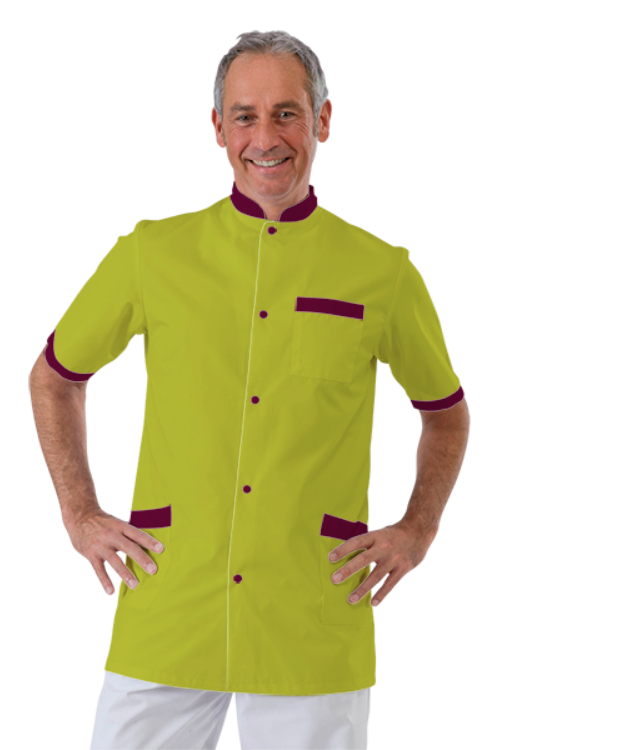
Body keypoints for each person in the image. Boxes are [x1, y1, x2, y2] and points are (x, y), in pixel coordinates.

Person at [28, 28, 470, 750]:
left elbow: (446, 414)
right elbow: (53, 377)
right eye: (246, 115)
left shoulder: (383, 272)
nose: (266, 137)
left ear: (323, 120)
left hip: (312, 617)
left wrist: (417, 530)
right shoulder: (151, 253)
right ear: (218, 127)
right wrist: (79, 514)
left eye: (287, 113)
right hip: (170, 604)